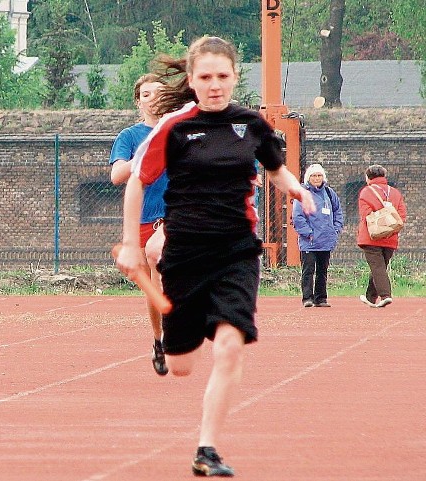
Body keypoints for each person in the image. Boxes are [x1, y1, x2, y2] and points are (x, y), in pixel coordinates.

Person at [114, 36, 315, 477]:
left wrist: (299, 191)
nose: (215, 85)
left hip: (236, 251)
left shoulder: (251, 125)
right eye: (205, 77)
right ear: (192, 80)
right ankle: (191, 321)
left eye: (223, 76)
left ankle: (207, 449)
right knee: (182, 366)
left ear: (235, 78)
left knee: (229, 346)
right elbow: (135, 182)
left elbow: (277, 171)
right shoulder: (172, 126)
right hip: (185, 252)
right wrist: (131, 244)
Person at [109, 73, 169, 376]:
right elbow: (117, 175)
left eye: (158, 93)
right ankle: (159, 339)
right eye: (146, 94)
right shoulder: (130, 137)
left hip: (174, 217)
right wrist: (146, 154)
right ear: (138, 101)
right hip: (143, 220)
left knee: (162, 266)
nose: (153, 98)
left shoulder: (177, 131)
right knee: (153, 290)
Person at [292, 163, 344, 307]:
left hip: (326, 239)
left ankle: (321, 298)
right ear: (308, 177)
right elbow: (298, 216)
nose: (317, 178)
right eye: (314, 175)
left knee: (322, 270)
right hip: (309, 240)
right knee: (308, 269)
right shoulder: (302, 194)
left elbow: (338, 211)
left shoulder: (329, 193)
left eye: (319, 175)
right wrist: (308, 233)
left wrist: (336, 229)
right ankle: (307, 298)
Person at [357, 164, 406, 308]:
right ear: (384, 176)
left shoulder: (366, 192)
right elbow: (401, 214)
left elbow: (365, 214)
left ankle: (385, 295)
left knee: (377, 267)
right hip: (390, 237)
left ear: (368, 177)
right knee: (379, 267)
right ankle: (370, 297)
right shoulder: (395, 193)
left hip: (371, 237)